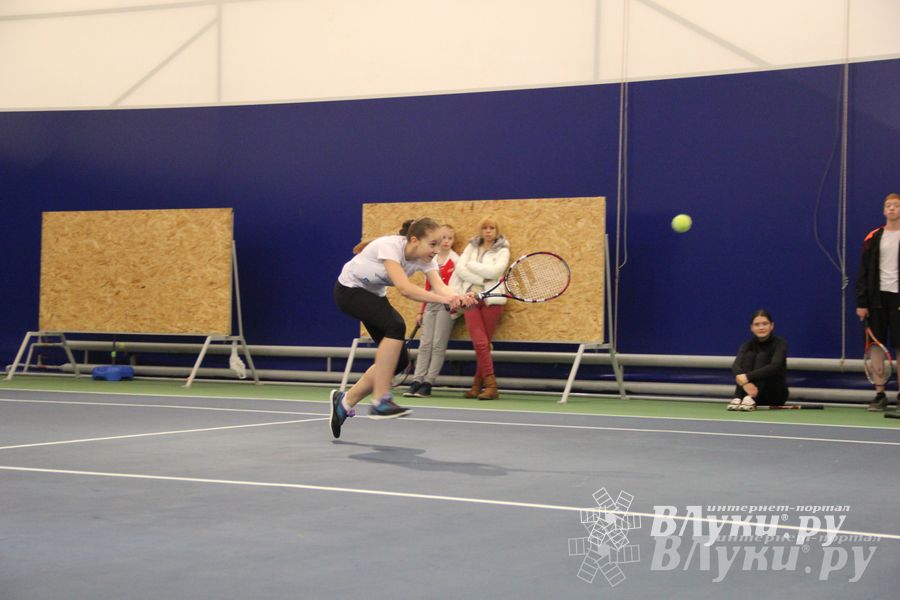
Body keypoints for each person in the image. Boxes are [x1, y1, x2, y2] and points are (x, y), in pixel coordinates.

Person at [330, 218, 475, 438]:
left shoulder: (426, 260)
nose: (437, 250)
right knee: (395, 326)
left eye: (439, 245)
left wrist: (457, 297)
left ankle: (345, 401)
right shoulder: (391, 246)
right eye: (433, 244)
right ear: (415, 240)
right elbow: (404, 289)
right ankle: (381, 399)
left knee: (398, 362)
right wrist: (445, 300)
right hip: (349, 291)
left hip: (373, 296)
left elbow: (441, 287)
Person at [449, 218, 511, 400]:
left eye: (492, 228)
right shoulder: (471, 247)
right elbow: (460, 269)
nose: (488, 231)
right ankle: (491, 385)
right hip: (471, 298)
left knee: (484, 345)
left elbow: (496, 272)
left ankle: (477, 386)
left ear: (497, 231)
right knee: (480, 343)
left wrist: (473, 266)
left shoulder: (503, 249)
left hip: (493, 299)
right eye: (485, 228)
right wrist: (483, 280)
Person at [855, 192, 900, 412]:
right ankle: (880, 394)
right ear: (884, 211)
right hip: (876, 300)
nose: (892, 209)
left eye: (896, 205)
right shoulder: (873, 238)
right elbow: (863, 272)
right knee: (876, 346)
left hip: (898, 298)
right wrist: (862, 303)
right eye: (888, 205)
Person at [403, 224, 460, 398]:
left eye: (450, 238)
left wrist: (455, 301)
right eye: (442, 238)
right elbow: (429, 286)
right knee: (425, 343)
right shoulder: (431, 260)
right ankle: (416, 380)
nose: (446, 241)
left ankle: (428, 382)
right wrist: (421, 311)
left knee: (437, 344)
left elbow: (455, 286)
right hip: (430, 303)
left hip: (446, 305)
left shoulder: (456, 260)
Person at [727, 309, 789, 411]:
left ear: (771, 326)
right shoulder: (747, 345)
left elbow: (775, 366)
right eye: (757, 324)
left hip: (774, 394)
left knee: (761, 356)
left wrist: (747, 377)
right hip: (747, 393)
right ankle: (738, 397)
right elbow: (735, 366)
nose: (761, 327)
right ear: (751, 327)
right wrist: (745, 383)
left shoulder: (780, 344)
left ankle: (751, 397)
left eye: (765, 324)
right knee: (749, 357)